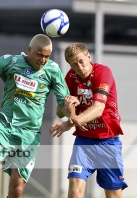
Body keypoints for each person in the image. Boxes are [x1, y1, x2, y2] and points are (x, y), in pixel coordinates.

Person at [0, 34, 81, 198]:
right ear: (29, 50)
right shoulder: (10, 61)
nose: (43, 60)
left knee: (16, 190)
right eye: (40, 54)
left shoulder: (53, 70)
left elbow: (64, 103)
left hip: (28, 135)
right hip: (4, 127)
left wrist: (72, 116)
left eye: (47, 56)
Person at [50, 43, 128, 198]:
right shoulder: (70, 77)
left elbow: (98, 109)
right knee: (74, 190)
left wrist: (70, 123)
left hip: (108, 142)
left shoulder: (103, 72)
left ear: (88, 57)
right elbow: (60, 112)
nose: (79, 67)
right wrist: (67, 105)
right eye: (73, 64)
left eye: (81, 61)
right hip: (84, 142)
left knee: (113, 194)